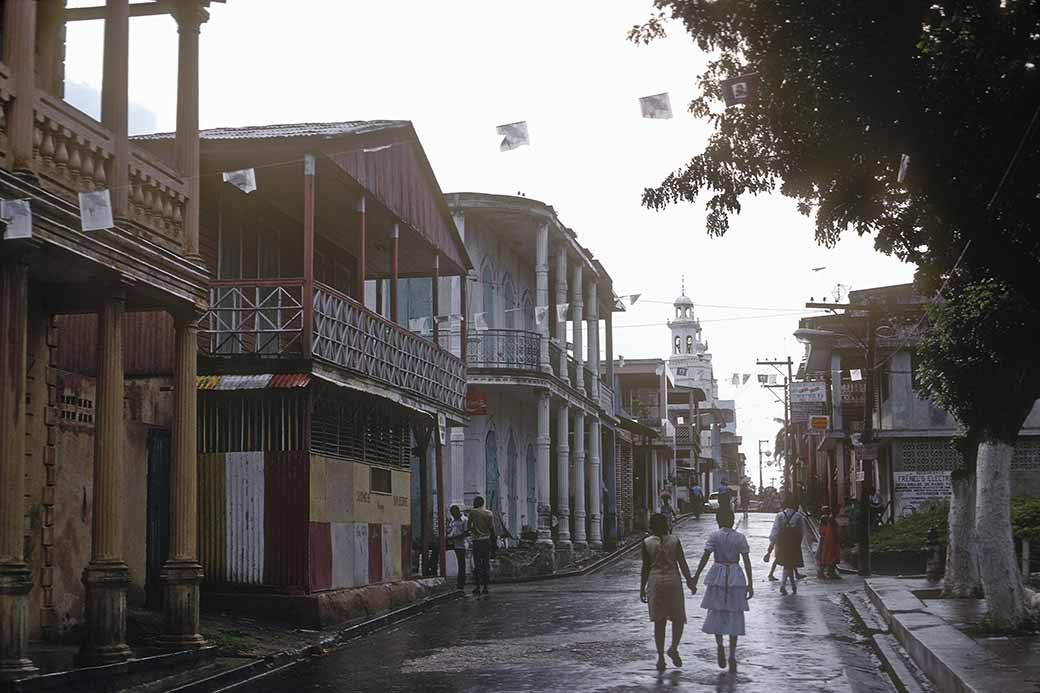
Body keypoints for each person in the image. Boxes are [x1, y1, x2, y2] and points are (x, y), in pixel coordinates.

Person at [691, 509, 753, 674]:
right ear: (733, 521)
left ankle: (719, 645)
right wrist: (750, 583)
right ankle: (732, 654)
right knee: (735, 613)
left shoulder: (714, 536)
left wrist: (696, 576)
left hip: (717, 574)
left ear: (719, 520)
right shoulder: (739, 537)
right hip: (735, 574)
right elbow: (747, 561)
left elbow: (705, 556)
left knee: (716, 611)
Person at [640, 513, 695, 672]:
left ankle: (661, 657)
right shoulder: (675, 541)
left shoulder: (646, 543)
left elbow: (645, 568)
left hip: (655, 582)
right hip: (673, 581)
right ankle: (673, 647)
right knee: (678, 618)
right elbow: (682, 563)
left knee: (659, 621)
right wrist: (690, 581)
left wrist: (642, 588)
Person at [764, 495, 805, 595]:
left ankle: (792, 586)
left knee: (788, 564)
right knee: (789, 564)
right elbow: (802, 531)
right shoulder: (798, 516)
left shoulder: (780, 515)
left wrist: (772, 544)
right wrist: (799, 542)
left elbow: (775, 531)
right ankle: (783, 586)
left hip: (782, 543)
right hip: (793, 543)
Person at [468, 496, 497, 596]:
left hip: (477, 541)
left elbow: (469, 527)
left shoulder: (472, 512)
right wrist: (494, 541)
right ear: (483, 503)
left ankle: (477, 586)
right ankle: (485, 587)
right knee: (486, 563)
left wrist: (475, 532)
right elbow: (492, 528)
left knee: (477, 564)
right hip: (486, 541)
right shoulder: (489, 513)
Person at [446, 505, 469, 591]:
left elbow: (467, 533)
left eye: (454, 513)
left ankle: (461, 582)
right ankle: (460, 581)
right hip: (454, 543)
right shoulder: (453, 521)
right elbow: (451, 530)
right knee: (460, 563)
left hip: (461, 544)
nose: (454, 515)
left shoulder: (464, 520)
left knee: (461, 564)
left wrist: (456, 537)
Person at [817, 505, 842, 580]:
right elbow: (834, 530)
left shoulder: (826, 518)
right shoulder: (829, 519)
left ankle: (824, 572)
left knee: (825, 556)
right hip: (830, 540)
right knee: (830, 556)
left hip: (826, 540)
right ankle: (829, 572)